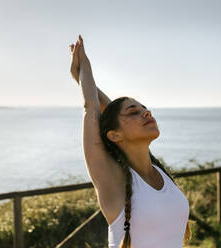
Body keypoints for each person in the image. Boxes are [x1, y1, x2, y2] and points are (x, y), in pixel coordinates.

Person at [69, 35, 191, 248]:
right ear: (114, 135)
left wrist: (83, 79)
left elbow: (112, 112)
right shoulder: (113, 181)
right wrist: (83, 70)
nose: (146, 112)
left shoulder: (158, 171)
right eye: (135, 112)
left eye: (145, 108)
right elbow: (93, 109)